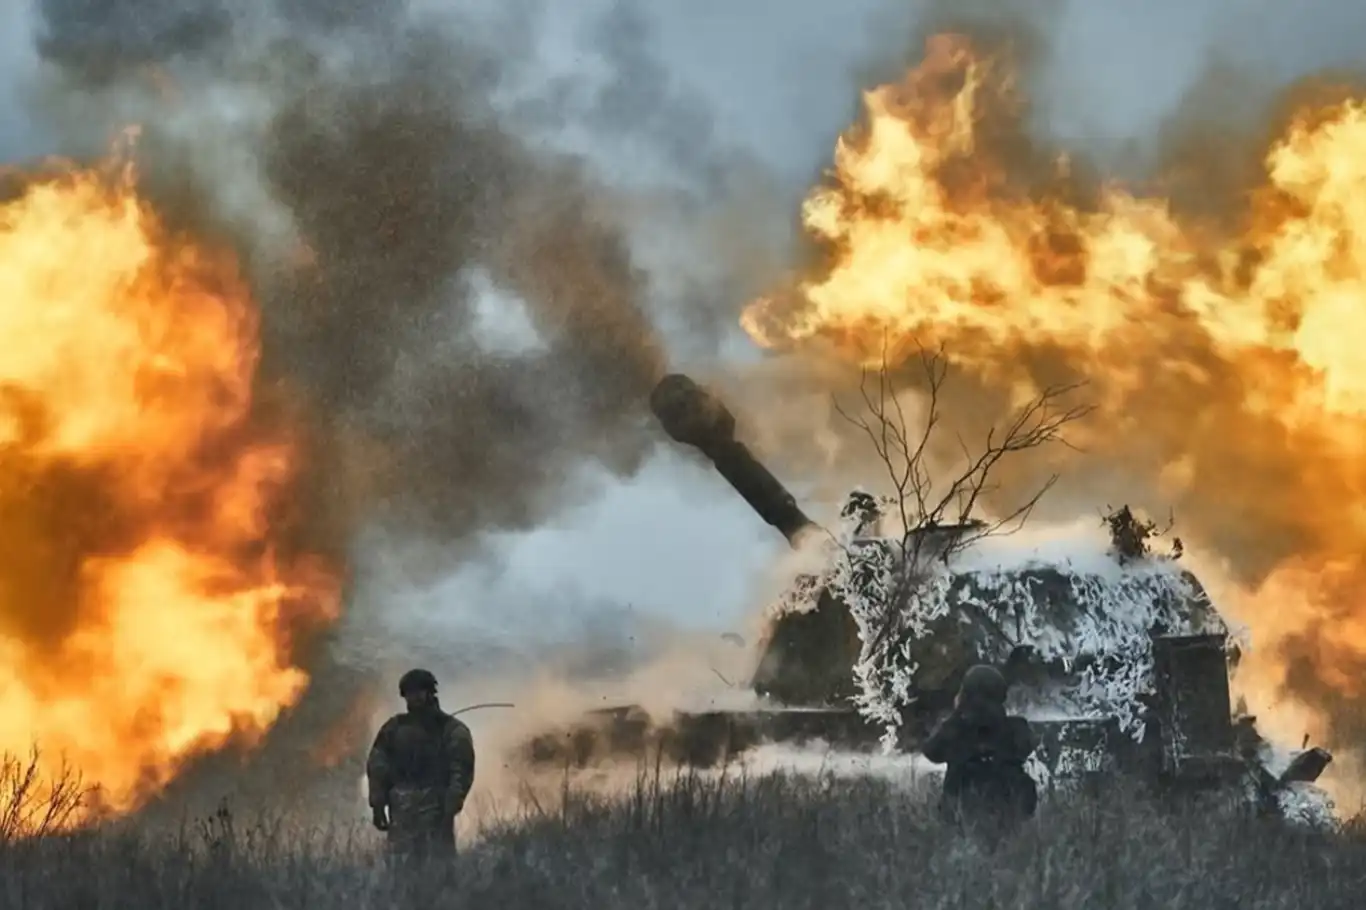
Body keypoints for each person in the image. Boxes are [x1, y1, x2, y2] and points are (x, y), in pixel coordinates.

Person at [366, 668, 476, 862]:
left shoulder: (451, 730)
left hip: (436, 811)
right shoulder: (394, 728)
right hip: (401, 811)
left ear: (429, 693)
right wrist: (377, 804)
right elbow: (377, 765)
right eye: (408, 694)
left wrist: (452, 804)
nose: (413, 698)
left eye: (418, 692)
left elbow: (461, 769)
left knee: (439, 869)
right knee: (400, 870)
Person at [921, 663, 1038, 835]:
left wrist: (957, 714)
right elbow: (1029, 745)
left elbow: (931, 751)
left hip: (962, 820)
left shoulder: (956, 729)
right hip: (1007, 815)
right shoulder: (1016, 728)